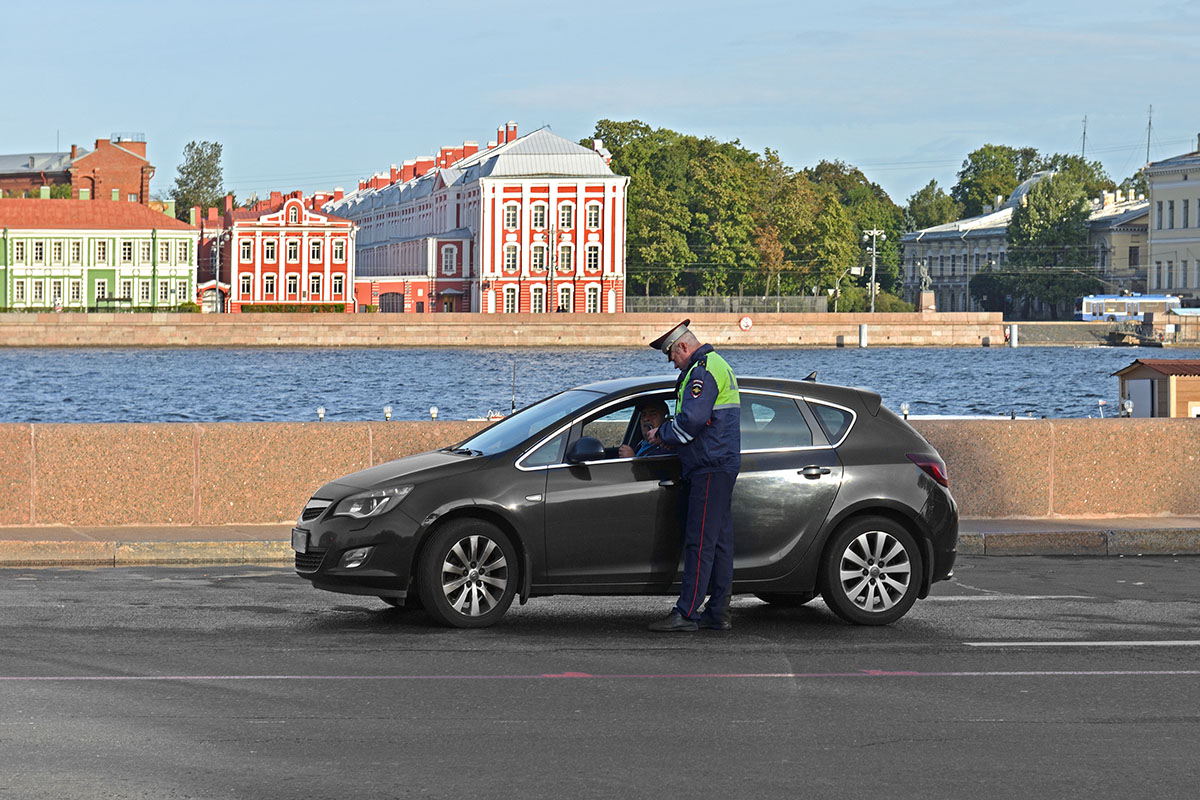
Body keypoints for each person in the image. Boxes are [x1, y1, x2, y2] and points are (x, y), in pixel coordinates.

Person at [643, 319, 740, 632]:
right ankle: (718, 610)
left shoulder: (702, 371)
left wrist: (661, 434)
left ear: (683, 346)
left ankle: (685, 612)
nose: (672, 362)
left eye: (671, 355)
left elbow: (691, 422)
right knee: (720, 542)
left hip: (709, 465)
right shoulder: (714, 365)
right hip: (718, 463)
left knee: (699, 543)